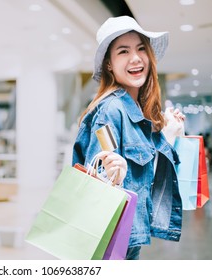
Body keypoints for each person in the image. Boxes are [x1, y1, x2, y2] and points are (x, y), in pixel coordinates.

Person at [72, 16, 185, 260]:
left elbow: (146, 175)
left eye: (141, 48)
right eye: (123, 51)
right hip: (110, 242)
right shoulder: (112, 110)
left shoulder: (135, 110)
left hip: (126, 237)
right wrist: (111, 174)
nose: (135, 58)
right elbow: (95, 179)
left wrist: (169, 133)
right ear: (109, 64)